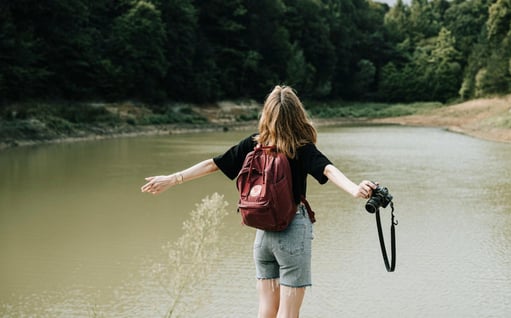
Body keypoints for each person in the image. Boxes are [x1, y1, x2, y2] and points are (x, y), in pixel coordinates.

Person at [141, 85, 376, 318]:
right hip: (292, 233)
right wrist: (355, 190)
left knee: (266, 311)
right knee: (288, 313)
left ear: (267, 114)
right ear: (297, 115)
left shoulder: (254, 143)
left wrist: (172, 178)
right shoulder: (300, 147)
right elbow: (328, 170)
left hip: (262, 236)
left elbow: (213, 164)